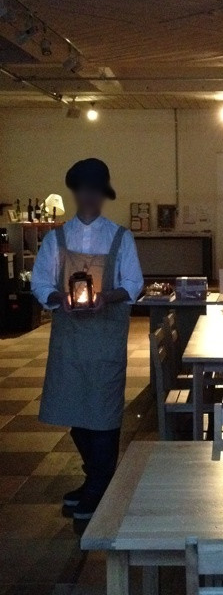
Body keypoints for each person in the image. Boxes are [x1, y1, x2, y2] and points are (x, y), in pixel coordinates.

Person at [32, 158, 144, 525]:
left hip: (105, 339)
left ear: (102, 194)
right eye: (83, 189)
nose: (89, 196)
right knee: (75, 410)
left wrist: (105, 297)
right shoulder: (56, 238)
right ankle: (97, 480)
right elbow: (40, 282)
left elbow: (133, 284)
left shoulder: (120, 237)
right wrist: (57, 298)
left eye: (95, 189)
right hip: (69, 340)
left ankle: (97, 487)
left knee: (104, 412)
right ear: (76, 193)